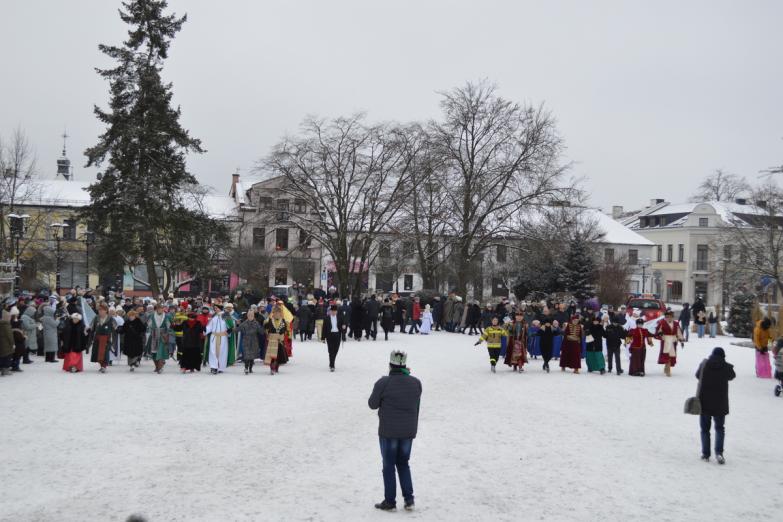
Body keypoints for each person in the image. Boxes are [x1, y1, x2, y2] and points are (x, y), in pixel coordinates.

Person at [368, 350, 422, 512]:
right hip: (408, 431)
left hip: (388, 431)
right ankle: (409, 499)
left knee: (389, 465)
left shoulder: (383, 382)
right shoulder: (416, 382)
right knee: (404, 464)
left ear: (390, 365)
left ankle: (390, 501)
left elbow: (372, 404)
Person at [695, 347, 736, 464]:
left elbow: (697, 375)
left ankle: (705, 454)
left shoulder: (704, 364)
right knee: (719, 428)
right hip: (720, 404)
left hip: (704, 403)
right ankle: (719, 453)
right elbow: (732, 376)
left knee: (704, 429)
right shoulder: (726, 367)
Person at [655, 310, 685, 377]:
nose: (669, 318)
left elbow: (679, 332)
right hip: (665, 340)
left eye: (671, 317)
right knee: (666, 355)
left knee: (671, 355)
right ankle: (668, 370)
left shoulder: (676, 324)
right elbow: (658, 331)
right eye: (667, 317)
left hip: (673, 340)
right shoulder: (662, 323)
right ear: (665, 317)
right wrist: (660, 333)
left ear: (673, 317)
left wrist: (681, 340)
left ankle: (666, 366)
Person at [89, 303, 117, 373]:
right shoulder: (96, 317)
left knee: (105, 352)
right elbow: (91, 327)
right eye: (99, 310)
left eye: (102, 310)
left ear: (106, 310)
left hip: (107, 338)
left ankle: (104, 366)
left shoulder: (110, 318)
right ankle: (101, 365)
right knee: (98, 352)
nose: (100, 311)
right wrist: (88, 331)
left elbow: (115, 327)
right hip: (97, 338)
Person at [263, 305, 289, 374]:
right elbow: (265, 328)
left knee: (279, 355)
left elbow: (285, 330)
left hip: (279, 340)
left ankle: (277, 366)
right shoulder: (270, 320)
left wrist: (283, 333)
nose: (277, 314)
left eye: (278, 313)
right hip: (272, 340)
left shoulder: (283, 321)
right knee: (271, 355)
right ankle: (272, 368)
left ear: (280, 313)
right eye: (275, 313)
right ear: (273, 313)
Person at [146, 304, 171, 374]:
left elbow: (169, 326)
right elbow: (149, 325)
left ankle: (160, 367)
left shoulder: (166, 316)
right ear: (156, 309)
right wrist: (150, 330)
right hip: (154, 335)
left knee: (161, 351)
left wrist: (168, 333)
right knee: (154, 353)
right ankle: (157, 366)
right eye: (159, 308)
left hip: (163, 335)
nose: (160, 310)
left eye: (161, 308)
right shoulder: (152, 316)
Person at [237, 309, 262, 374]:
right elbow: (238, 329)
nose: (250, 316)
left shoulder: (256, 323)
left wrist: (265, 328)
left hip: (254, 341)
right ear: (247, 316)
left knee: (252, 356)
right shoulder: (244, 323)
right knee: (246, 356)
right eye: (249, 315)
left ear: (253, 316)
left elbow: (261, 331)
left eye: (251, 315)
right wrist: (233, 328)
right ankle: (246, 368)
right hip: (246, 341)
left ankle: (250, 368)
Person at [321, 304, 346, 371]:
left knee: (336, 350)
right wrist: (323, 338)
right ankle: (332, 365)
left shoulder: (340, 318)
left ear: (337, 311)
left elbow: (343, 327)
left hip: (337, 335)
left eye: (335, 311)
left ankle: (331, 362)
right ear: (330, 311)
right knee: (331, 351)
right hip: (330, 335)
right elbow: (324, 328)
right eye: (332, 311)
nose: (334, 312)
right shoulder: (326, 318)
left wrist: (344, 329)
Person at [0, 309, 14, 376]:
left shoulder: (1, 323)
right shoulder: (6, 324)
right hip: (7, 343)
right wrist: (12, 343)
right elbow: (10, 335)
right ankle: (5, 370)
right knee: (7, 357)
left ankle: (3, 370)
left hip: (2, 343)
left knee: (2, 356)